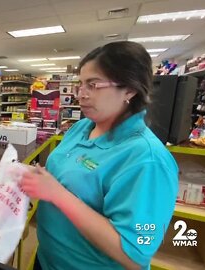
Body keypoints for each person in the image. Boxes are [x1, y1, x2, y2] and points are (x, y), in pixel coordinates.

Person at [20, 41, 178, 270]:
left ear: (130, 90)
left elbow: (134, 255)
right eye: (80, 84)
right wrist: (34, 178)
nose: (80, 95)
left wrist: (56, 194)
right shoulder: (80, 128)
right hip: (47, 259)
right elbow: (64, 178)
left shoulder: (147, 159)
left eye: (93, 85)